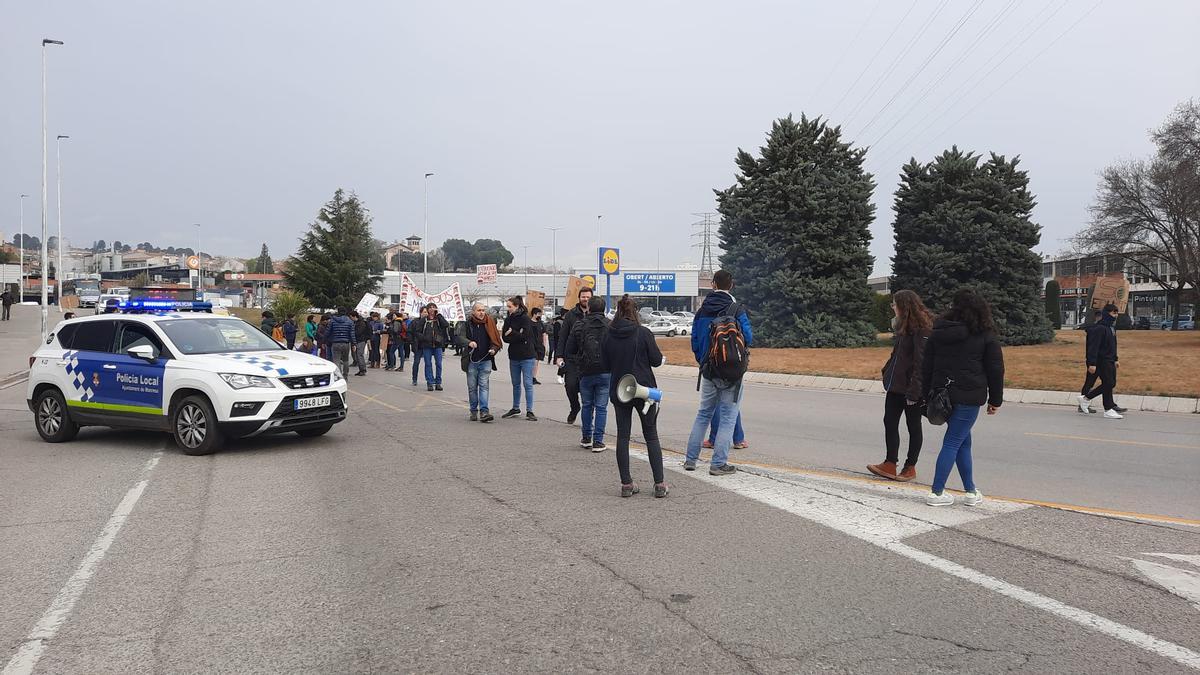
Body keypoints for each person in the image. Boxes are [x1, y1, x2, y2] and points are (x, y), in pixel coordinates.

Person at [922, 288, 1005, 507]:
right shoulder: (985, 334)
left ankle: (970, 490)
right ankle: (936, 493)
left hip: (943, 394)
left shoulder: (939, 332)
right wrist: (996, 400)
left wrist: (926, 394)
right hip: (969, 395)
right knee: (953, 442)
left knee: (962, 442)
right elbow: (996, 369)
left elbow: (926, 365)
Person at [683, 269, 752, 476]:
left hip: (708, 370)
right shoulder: (736, 309)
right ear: (731, 285)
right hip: (732, 371)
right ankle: (718, 463)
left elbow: (694, 340)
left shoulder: (702, 310)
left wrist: (702, 360)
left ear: (713, 284)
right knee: (728, 417)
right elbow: (748, 336)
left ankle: (690, 460)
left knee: (703, 414)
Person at [603, 295, 668, 497]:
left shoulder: (608, 334)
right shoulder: (644, 333)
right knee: (651, 435)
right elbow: (656, 361)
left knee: (623, 436)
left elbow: (605, 365)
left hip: (620, 389)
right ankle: (659, 484)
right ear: (635, 311)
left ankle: (627, 484)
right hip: (644, 390)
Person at [868, 290, 933, 482]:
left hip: (911, 389)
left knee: (913, 426)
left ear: (904, 306)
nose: (893, 307)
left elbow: (921, 363)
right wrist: (886, 370)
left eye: (894, 304)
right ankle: (890, 463)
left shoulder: (922, 330)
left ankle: (910, 466)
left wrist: (914, 392)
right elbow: (897, 355)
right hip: (896, 386)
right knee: (890, 422)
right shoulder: (904, 327)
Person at [566, 296, 611, 450]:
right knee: (601, 407)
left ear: (589, 308)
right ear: (604, 309)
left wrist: (578, 360)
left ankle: (586, 438)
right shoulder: (610, 325)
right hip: (606, 370)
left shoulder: (580, 324)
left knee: (586, 405)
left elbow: (569, 349)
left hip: (585, 370)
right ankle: (598, 440)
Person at [455, 301, 502, 422]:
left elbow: (496, 340)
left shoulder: (489, 322)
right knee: (472, 388)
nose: (481, 313)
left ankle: (484, 411)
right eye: (479, 310)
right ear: (473, 312)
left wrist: (493, 349)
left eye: (483, 310)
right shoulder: (467, 324)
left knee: (484, 386)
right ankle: (473, 411)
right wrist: (468, 342)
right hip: (471, 361)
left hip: (486, 360)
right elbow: (459, 337)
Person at [1078, 304, 1126, 419]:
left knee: (1110, 383)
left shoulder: (1111, 328)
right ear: (1106, 313)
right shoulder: (1099, 328)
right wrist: (1092, 363)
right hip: (1101, 360)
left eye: (1116, 313)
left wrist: (1115, 359)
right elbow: (1093, 347)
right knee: (1108, 383)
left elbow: (1113, 345)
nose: (1116, 315)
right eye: (1113, 313)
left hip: (1109, 360)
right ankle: (1088, 399)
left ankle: (1106, 407)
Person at [555, 285, 594, 424]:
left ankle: (589, 414)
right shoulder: (571, 315)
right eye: (583, 297)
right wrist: (559, 355)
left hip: (589, 359)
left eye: (588, 297)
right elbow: (563, 336)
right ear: (579, 298)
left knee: (588, 388)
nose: (585, 299)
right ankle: (575, 407)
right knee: (570, 386)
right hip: (572, 357)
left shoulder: (595, 314)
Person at [501, 295, 538, 420]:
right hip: (514, 356)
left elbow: (525, 336)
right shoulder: (508, 319)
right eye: (508, 306)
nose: (508, 309)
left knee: (527, 383)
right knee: (515, 383)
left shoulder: (525, 319)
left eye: (510, 306)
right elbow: (505, 338)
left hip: (527, 356)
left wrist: (512, 332)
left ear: (516, 306)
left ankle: (530, 410)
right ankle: (515, 407)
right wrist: (515, 333)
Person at [412, 303, 450, 391]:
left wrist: (439, 315)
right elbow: (417, 332)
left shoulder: (438, 319)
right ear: (428, 309)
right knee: (428, 364)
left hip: (438, 345)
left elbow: (446, 325)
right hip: (427, 345)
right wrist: (424, 338)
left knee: (439, 364)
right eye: (430, 308)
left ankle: (438, 382)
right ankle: (430, 382)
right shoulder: (424, 320)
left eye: (434, 307)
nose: (432, 309)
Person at [327, 308, 355, 378]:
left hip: (335, 342)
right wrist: (354, 343)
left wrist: (325, 341)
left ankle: (339, 376)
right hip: (346, 343)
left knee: (336, 360)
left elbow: (328, 332)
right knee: (346, 360)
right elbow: (352, 334)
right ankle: (345, 375)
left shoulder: (332, 321)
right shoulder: (350, 321)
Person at [409, 307, 427, 386]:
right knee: (416, 362)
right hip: (418, 345)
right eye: (424, 312)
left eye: (426, 312)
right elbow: (409, 332)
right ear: (420, 313)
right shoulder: (415, 321)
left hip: (427, 346)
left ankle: (429, 380)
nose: (425, 313)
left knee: (428, 364)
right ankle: (414, 379)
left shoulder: (430, 321)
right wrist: (412, 342)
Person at [351, 311, 371, 376]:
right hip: (359, 340)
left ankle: (363, 370)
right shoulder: (357, 322)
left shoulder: (361, 323)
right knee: (358, 355)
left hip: (361, 340)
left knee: (359, 355)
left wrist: (352, 332)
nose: (350, 318)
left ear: (354, 316)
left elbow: (359, 332)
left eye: (351, 317)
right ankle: (361, 369)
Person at [531, 306, 547, 384]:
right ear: (534, 314)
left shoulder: (540, 323)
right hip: (531, 346)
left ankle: (534, 378)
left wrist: (544, 345)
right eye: (538, 314)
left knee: (536, 362)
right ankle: (530, 377)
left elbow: (544, 334)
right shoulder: (529, 323)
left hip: (539, 346)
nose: (540, 315)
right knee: (533, 362)